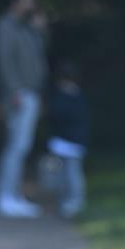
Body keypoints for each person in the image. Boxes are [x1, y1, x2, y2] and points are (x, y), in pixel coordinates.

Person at [0, 0, 48, 218]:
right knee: (17, 146)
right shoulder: (4, 25)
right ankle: (6, 197)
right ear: (15, 2)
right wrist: (14, 90)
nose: (30, 6)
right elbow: (3, 59)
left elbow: (41, 53)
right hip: (19, 94)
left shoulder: (27, 27)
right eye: (26, 2)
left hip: (31, 92)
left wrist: (40, 30)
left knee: (22, 146)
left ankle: (14, 195)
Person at [47, 60, 89, 218]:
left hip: (67, 142)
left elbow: (55, 117)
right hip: (68, 142)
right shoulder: (78, 97)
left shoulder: (63, 98)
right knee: (66, 174)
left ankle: (73, 202)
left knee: (70, 174)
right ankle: (68, 202)